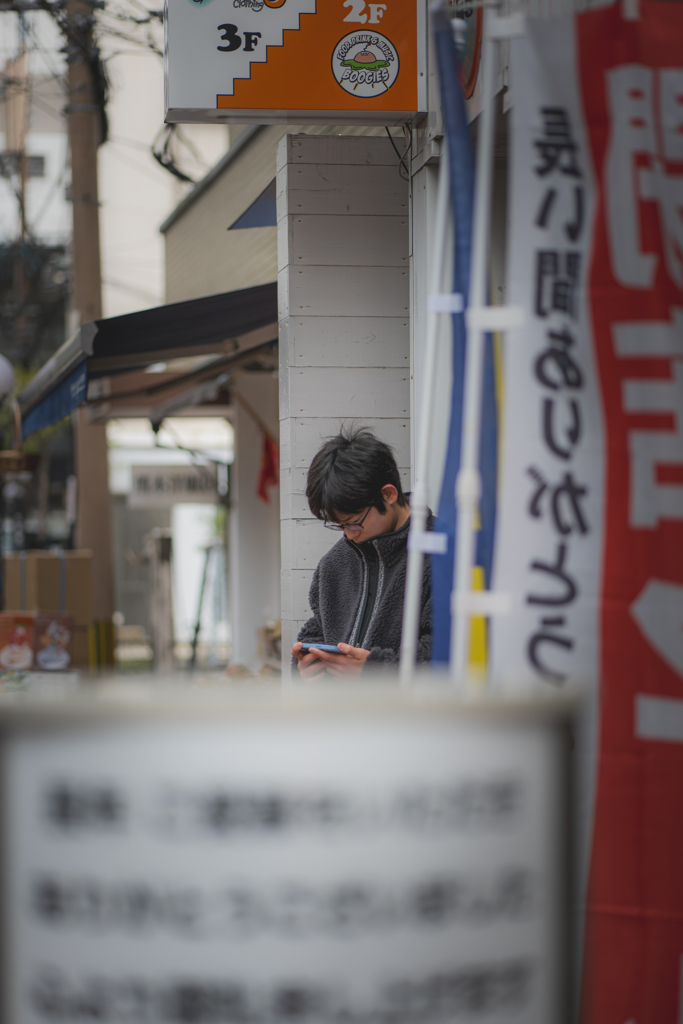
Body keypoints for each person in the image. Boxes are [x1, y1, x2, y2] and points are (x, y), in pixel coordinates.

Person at [291, 426, 433, 678]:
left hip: (414, 717)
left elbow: (450, 655)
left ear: (388, 494)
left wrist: (375, 672)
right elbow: (317, 631)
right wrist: (307, 669)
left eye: (353, 521)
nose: (348, 534)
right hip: (344, 717)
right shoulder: (334, 563)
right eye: (339, 525)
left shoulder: (440, 554)